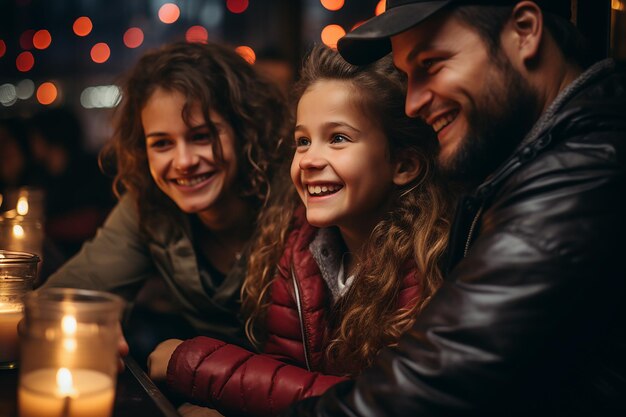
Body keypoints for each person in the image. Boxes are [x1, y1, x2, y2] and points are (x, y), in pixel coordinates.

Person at [283, 1, 626, 416]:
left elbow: (420, 395)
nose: (412, 104)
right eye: (409, 76)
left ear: (525, 30)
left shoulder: (584, 173)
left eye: (432, 63)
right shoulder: (536, 160)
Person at [146, 45, 454, 417]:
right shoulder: (299, 245)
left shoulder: (431, 261)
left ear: (403, 165)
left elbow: (379, 404)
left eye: (338, 138)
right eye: (303, 141)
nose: (308, 159)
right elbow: (283, 375)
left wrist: (196, 364)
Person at [41, 40, 290, 367]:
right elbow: (55, 302)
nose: (183, 161)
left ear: (244, 130)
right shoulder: (150, 204)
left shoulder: (295, 198)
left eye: (202, 136)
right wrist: (88, 322)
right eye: (161, 143)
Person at [27, 106, 115, 260]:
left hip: (89, 256)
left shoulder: (91, 170)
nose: (31, 143)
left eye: (35, 137)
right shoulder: (42, 176)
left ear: (49, 136)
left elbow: (91, 219)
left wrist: (41, 229)